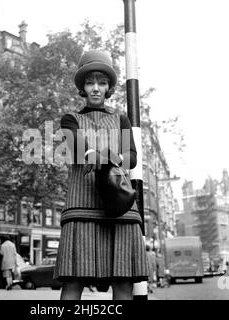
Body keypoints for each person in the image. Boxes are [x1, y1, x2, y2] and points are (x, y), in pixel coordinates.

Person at [53, 50, 149, 300]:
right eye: (90, 82)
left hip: (120, 208)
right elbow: (77, 149)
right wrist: (105, 154)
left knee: (124, 283)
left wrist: (108, 156)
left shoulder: (121, 119)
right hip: (81, 206)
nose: (96, 88)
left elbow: (131, 157)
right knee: (73, 282)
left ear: (108, 88)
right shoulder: (69, 119)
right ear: (82, 87)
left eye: (102, 82)